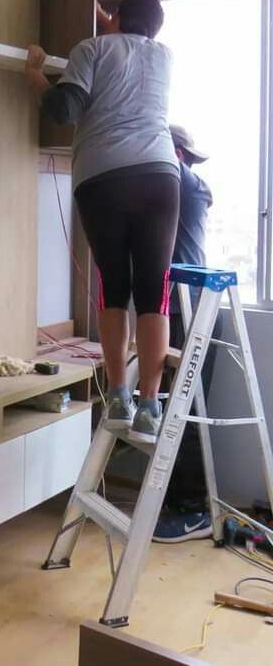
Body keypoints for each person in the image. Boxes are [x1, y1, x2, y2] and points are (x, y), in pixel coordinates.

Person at [26, 0, 179, 443]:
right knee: (155, 293)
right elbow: (128, 39)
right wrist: (110, 17)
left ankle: (117, 395)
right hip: (159, 175)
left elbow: (63, 110)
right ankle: (150, 403)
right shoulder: (164, 56)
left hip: (105, 177)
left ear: (113, 19)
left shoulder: (91, 48)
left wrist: (34, 74)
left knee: (115, 287)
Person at [153, 124, 215, 542]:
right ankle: (176, 501)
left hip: (193, 310)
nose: (187, 164)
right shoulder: (168, 187)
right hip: (175, 310)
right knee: (171, 408)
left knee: (187, 410)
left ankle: (194, 511)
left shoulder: (191, 187)